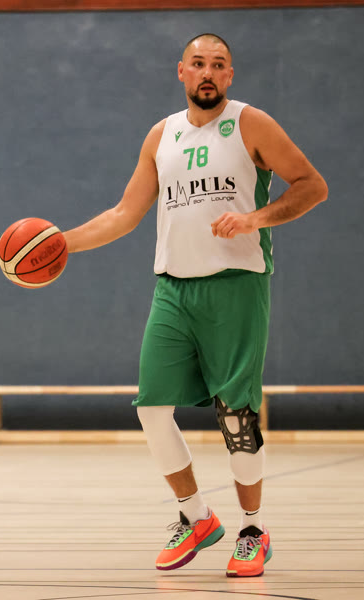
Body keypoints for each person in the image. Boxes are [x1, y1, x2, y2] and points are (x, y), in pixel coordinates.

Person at [63, 33, 327, 578]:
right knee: (151, 409)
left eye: (219, 64)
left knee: (237, 418)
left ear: (230, 75)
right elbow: (123, 214)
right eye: (199, 63)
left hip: (236, 285)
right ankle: (196, 517)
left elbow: (312, 185)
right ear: (181, 71)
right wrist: (61, 243)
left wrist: (255, 219)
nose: (208, 72)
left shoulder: (252, 124)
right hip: (173, 289)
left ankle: (252, 530)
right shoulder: (161, 135)